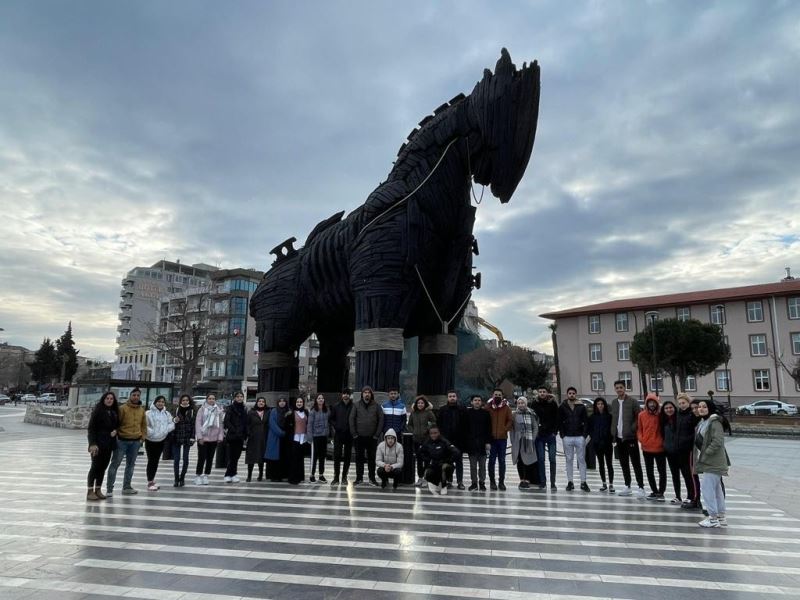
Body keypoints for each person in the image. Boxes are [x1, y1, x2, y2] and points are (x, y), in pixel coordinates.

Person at [695, 399, 730, 527]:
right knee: (716, 490)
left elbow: (718, 441)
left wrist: (706, 453)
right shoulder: (704, 422)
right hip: (711, 461)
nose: (701, 409)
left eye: (704, 407)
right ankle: (721, 517)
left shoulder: (714, 422)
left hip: (713, 461)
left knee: (707, 488)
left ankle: (713, 518)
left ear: (710, 408)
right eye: (699, 407)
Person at [105, 387, 147, 496]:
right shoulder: (122, 408)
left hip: (136, 442)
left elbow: (143, 424)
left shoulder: (142, 410)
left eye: (138, 395)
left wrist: (142, 437)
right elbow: (116, 423)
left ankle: (127, 486)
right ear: (130, 396)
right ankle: (109, 489)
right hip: (122, 441)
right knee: (115, 464)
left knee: (131, 465)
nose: (136, 397)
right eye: (134, 395)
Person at [609, 380, 646, 497]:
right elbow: (613, 418)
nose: (619, 389)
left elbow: (638, 416)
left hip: (630, 437)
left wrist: (632, 428)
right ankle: (627, 486)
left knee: (636, 463)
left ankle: (641, 487)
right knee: (623, 463)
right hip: (619, 438)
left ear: (625, 388)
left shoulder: (633, 401)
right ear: (615, 389)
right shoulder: (614, 403)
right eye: (617, 388)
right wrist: (612, 433)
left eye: (621, 387)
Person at [86, 391, 119, 500]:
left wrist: (115, 431)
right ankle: (90, 491)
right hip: (98, 444)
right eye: (107, 398)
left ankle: (98, 489)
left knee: (103, 468)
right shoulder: (98, 411)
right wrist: (92, 444)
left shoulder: (114, 412)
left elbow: (116, 425)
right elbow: (91, 429)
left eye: (111, 399)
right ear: (103, 399)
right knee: (95, 467)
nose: (109, 400)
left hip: (109, 444)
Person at [349, 385, 384, 486]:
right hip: (358, 437)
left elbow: (381, 420)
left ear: (371, 394)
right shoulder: (356, 405)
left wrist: (377, 435)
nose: (367, 394)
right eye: (365, 392)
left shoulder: (377, 406)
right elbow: (351, 419)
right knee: (359, 458)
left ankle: (372, 479)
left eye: (369, 392)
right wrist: (354, 434)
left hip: (372, 437)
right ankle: (359, 478)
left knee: (372, 459)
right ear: (362, 394)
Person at [662, 396, 694, 505]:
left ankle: (690, 496)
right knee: (675, 475)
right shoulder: (664, 421)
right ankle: (677, 496)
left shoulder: (679, 417)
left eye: (670, 407)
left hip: (682, 451)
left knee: (686, 474)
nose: (668, 410)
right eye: (666, 408)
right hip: (670, 452)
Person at [558, 387, 590, 492]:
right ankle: (570, 482)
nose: (571, 395)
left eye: (573, 393)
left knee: (581, 459)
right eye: (570, 393)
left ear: (576, 394)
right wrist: (562, 435)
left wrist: (584, 436)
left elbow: (586, 421)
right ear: (567, 394)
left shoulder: (581, 406)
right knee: (569, 460)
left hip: (579, 436)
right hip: (567, 436)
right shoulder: (563, 407)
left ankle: (583, 482)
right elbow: (560, 421)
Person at [437, 390, 467, 490]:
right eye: (450, 396)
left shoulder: (462, 409)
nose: (452, 398)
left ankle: (460, 482)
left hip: (459, 441)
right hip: (446, 441)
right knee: (448, 462)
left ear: (456, 397)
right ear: (447, 398)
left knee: (459, 462)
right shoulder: (442, 410)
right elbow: (438, 426)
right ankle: (448, 481)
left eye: (454, 396)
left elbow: (466, 425)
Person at [638, 393, 666, 501]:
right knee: (649, 471)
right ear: (647, 403)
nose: (652, 404)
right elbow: (639, 429)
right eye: (649, 402)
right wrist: (642, 439)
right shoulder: (641, 415)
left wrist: (662, 442)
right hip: (646, 448)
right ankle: (654, 491)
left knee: (662, 471)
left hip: (660, 448)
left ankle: (661, 492)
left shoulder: (660, 415)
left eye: (653, 402)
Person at [144, 395, 175, 491]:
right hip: (150, 440)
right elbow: (145, 425)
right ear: (155, 402)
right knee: (151, 461)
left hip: (161, 440)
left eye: (162, 402)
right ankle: (149, 481)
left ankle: (152, 479)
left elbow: (171, 423)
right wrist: (152, 433)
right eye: (159, 401)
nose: (161, 403)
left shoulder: (166, 414)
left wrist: (165, 431)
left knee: (156, 461)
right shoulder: (148, 413)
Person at [194, 393, 224, 485]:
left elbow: (221, 424)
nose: (211, 400)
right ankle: (198, 475)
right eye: (210, 398)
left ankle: (206, 475)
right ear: (206, 399)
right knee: (201, 458)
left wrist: (220, 437)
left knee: (210, 459)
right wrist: (199, 437)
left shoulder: (218, 410)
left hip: (214, 438)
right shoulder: (202, 409)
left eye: (213, 398)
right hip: (203, 438)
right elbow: (198, 424)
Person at [532, 387, 558, 490]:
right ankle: (543, 482)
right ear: (538, 393)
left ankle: (553, 483)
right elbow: (532, 419)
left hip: (550, 435)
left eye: (544, 392)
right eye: (540, 392)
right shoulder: (534, 404)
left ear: (547, 393)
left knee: (552, 459)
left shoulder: (553, 403)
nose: (542, 393)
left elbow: (557, 418)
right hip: (539, 436)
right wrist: (535, 432)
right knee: (541, 459)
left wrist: (555, 432)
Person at [486, 388, 513, 491]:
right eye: (495, 394)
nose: (497, 396)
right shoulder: (488, 407)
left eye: (499, 395)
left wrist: (504, 430)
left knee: (502, 461)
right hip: (491, 439)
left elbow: (510, 420)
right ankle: (492, 482)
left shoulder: (506, 408)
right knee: (491, 461)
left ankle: (501, 482)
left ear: (502, 396)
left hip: (502, 439)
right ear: (492, 395)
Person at [464, 395, 492, 491]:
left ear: (481, 402)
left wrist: (488, 442)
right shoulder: (467, 413)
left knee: (482, 465)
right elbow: (465, 429)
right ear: (471, 402)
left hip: (483, 443)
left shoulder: (486, 413)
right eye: (475, 400)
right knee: (473, 466)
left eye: (479, 400)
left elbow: (489, 429)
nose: (477, 402)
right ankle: (474, 483)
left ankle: (482, 482)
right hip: (471, 443)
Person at [420, 426, 458, 495]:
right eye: (431, 433)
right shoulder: (427, 442)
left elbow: (456, 452)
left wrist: (448, 461)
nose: (433, 435)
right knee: (428, 473)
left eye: (435, 433)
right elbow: (420, 453)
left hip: (444, 465)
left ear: (439, 433)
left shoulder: (444, 441)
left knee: (444, 468)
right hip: (433, 465)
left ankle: (444, 486)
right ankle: (436, 482)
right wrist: (428, 460)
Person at [408, 395, 437, 487]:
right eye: (418, 403)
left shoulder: (429, 412)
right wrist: (413, 431)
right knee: (419, 460)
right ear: (416, 404)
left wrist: (428, 429)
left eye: (422, 403)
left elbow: (434, 422)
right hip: (416, 440)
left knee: (427, 460)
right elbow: (409, 425)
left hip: (427, 440)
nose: (420, 404)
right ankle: (420, 478)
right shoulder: (413, 413)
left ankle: (426, 478)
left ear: (425, 404)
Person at [510, 396, 538, 489]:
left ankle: (527, 480)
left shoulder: (531, 413)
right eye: (519, 403)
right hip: (518, 441)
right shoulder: (514, 414)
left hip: (529, 441)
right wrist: (513, 441)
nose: (521, 405)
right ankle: (521, 479)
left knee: (528, 461)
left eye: (523, 403)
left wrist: (532, 438)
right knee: (520, 461)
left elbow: (535, 427)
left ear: (526, 404)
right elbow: (512, 429)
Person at [588, 397, 614, 492]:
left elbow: (612, 429)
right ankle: (604, 483)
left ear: (605, 405)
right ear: (595, 405)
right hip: (597, 444)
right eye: (598, 404)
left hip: (607, 443)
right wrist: (594, 438)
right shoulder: (592, 417)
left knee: (609, 464)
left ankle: (611, 484)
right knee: (601, 464)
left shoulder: (609, 416)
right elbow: (590, 429)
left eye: (602, 404)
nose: (600, 406)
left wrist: (611, 439)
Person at [329, 389, 353, 485]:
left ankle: (344, 477)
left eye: (347, 394)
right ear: (342, 395)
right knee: (337, 456)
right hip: (338, 434)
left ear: (350, 395)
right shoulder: (336, 406)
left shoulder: (353, 406)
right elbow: (331, 419)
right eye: (344, 394)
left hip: (349, 435)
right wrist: (336, 426)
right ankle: (336, 477)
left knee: (347, 456)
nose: (346, 395)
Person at [223, 392, 248, 483]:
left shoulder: (244, 409)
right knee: (232, 456)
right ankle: (228, 474)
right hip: (232, 436)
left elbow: (245, 423)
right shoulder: (230, 408)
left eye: (241, 397)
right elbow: (227, 421)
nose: (239, 398)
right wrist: (234, 430)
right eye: (238, 397)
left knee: (237, 456)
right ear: (235, 398)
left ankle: (233, 474)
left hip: (240, 437)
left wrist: (245, 434)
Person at [171, 394, 195, 487]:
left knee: (186, 459)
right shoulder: (176, 410)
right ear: (180, 401)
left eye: (187, 400)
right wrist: (174, 420)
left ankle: (182, 478)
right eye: (183, 400)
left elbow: (193, 426)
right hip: (177, 436)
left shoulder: (192, 411)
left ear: (189, 401)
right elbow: (171, 421)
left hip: (187, 437)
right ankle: (176, 479)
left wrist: (193, 437)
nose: (185, 402)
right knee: (176, 459)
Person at [285, 396, 309, 485]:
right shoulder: (291, 413)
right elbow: (287, 426)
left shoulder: (306, 412)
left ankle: (300, 476)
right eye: (297, 402)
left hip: (303, 438)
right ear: (295, 403)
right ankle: (292, 478)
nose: (299, 403)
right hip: (294, 438)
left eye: (301, 402)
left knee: (300, 458)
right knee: (294, 458)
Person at [265, 397, 289, 482]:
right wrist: (281, 433)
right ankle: (274, 476)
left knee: (283, 457)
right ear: (277, 402)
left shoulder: (288, 411)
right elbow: (272, 424)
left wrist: (287, 432)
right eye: (280, 401)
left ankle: (283, 475)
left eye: (284, 401)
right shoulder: (274, 411)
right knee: (274, 458)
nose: (282, 403)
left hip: (285, 439)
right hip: (275, 437)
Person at [308, 393, 330, 483]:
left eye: (322, 398)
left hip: (324, 436)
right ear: (316, 400)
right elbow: (309, 425)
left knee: (322, 456)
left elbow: (329, 422)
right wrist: (310, 437)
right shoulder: (313, 411)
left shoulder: (327, 410)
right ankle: (312, 475)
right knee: (314, 457)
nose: (321, 400)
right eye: (319, 398)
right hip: (315, 437)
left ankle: (321, 475)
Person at [246, 397, 269, 482]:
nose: (261, 403)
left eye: (263, 401)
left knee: (261, 458)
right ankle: (249, 475)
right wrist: (249, 433)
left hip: (264, 438)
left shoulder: (267, 412)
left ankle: (260, 475)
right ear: (257, 402)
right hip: (253, 438)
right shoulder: (251, 412)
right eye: (259, 401)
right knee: (251, 458)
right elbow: (247, 424)